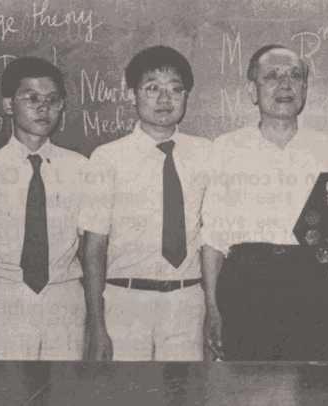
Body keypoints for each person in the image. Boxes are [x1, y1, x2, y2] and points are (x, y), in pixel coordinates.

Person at [202, 44, 328, 361]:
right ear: (253, 90)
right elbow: (213, 237)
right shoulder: (227, 147)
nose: (285, 85)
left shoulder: (327, 149)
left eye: (295, 76)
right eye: (272, 76)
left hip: (308, 283)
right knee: (247, 388)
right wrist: (212, 306)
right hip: (246, 281)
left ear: (305, 88)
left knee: (309, 390)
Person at [80, 46, 211, 361]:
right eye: (152, 88)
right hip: (125, 301)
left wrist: (210, 311)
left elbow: (213, 239)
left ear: (186, 95)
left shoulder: (207, 154)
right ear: (131, 94)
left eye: (175, 89)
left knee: (185, 394)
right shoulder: (107, 158)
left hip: (187, 300)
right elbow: (93, 248)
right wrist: (97, 325)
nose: (165, 100)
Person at [0, 57, 88, 360]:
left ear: (61, 107)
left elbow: (91, 251)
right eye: (30, 98)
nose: (42, 107)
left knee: (65, 394)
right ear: (8, 105)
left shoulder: (81, 169)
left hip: (66, 297)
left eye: (51, 99)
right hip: (8, 298)